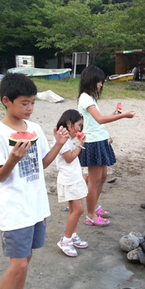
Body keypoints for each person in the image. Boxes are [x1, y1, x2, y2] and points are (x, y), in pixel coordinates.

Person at [0, 73, 69, 289]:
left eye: (33, 102)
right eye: (24, 103)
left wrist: (58, 144)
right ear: (6, 101)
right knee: (18, 264)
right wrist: (12, 160)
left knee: (26, 261)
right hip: (15, 208)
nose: (30, 108)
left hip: (35, 206)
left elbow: (42, 163)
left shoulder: (34, 129)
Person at [77, 66, 135, 226]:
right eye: (99, 82)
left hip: (100, 139)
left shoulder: (90, 98)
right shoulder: (85, 98)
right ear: (91, 81)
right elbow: (100, 119)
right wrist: (123, 116)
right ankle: (90, 215)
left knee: (102, 178)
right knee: (94, 181)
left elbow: (96, 121)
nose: (101, 85)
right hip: (93, 142)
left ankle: (94, 207)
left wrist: (111, 123)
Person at [55, 110, 89, 257]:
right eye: (79, 126)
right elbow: (69, 158)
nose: (80, 129)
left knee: (73, 210)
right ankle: (66, 240)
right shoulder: (62, 141)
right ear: (69, 124)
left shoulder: (68, 140)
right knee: (79, 210)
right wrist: (80, 145)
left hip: (73, 179)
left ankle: (72, 235)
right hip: (69, 181)